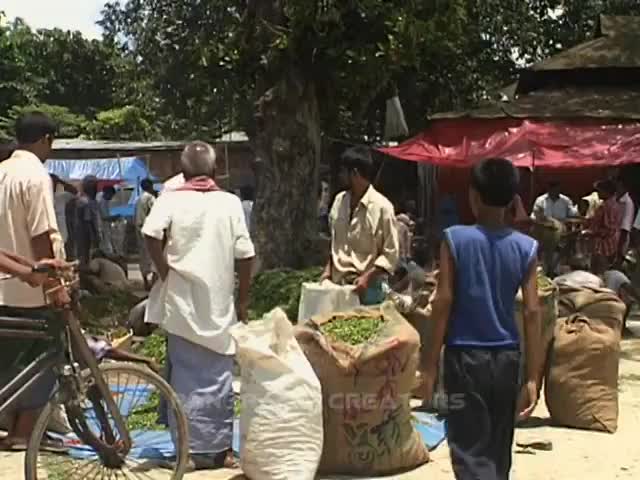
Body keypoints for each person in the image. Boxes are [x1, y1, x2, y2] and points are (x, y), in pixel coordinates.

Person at [419, 158, 540, 480]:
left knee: (469, 450)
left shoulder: (454, 239)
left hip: (464, 359)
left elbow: (443, 302)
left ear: (473, 195)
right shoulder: (526, 247)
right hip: (508, 358)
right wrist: (532, 377)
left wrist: (428, 366)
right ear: (513, 198)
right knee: (498, 450)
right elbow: (531, 312)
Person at [143, 141, 255, 470]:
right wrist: (243, 299)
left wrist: (164, 272)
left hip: (181, 304)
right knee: (220, 379)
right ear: (214, 170)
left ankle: (187, 452)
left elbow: (151, 234)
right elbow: (246, 255)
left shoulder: (170, 199)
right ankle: (222, 452)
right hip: (219, 305)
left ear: (184, 171)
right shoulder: (230, 203)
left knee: (184, 378)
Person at [0, 112, 69, 452]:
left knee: (9, 363)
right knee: (44, 361)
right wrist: (53, 286)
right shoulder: (35, 176)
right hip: (31, 290)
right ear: (46, 140)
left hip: (6, 285)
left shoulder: (1, 172)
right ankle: (25, 432)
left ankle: (11, 429)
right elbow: (42, 236)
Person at [322, 146, 399, 305]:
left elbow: (391, 254)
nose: (340, 176)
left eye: (343, 172)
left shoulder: (383, 208)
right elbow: (335, 243)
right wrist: (327, 271)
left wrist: (367, 278)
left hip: (368, 290)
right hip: (337, 287)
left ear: (355, 173)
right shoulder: (339, 201)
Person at [584, 180, 623, 274]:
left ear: (606, 191)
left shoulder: (608, 206)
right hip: (606, 244)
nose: (597, 194)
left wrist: (589, 232)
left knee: (600, 273)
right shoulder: (612, 204)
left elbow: (608, 229)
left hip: (603, 246)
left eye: (599, 191)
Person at [135, 179, 158, 290]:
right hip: (149, 229)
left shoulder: (139, 199)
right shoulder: (150, 198)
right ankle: (153, 282)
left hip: (140, 229)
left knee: (143, 255)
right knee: (153, 255)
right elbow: (155, 213)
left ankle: (145, 280)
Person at [74, 176, 102, 268]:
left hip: (81, 233)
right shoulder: (86, 202)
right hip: (85, 234)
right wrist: (96, 236)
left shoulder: (83, 200)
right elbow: (89, 221)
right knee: (86, 258)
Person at [616, 177, 635, 265]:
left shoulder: (628, 203)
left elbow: (625, 228)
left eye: (619, 187)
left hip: (620, 240)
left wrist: (620, 250)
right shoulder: (617, 200)